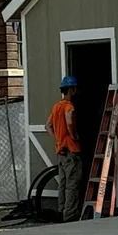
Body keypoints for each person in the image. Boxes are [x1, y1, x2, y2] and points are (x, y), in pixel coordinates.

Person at [46, 76, 82, 222]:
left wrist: (58, 139)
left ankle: (61, 212)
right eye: (75, 88)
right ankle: (70, 216)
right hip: (71, 151)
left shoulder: (56, 107)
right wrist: (73, 135)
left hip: (60, 151)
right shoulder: (69, 106)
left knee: (63, 183)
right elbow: (69, 119)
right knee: (72, 184)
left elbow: (47, 125)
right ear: (72, 90)